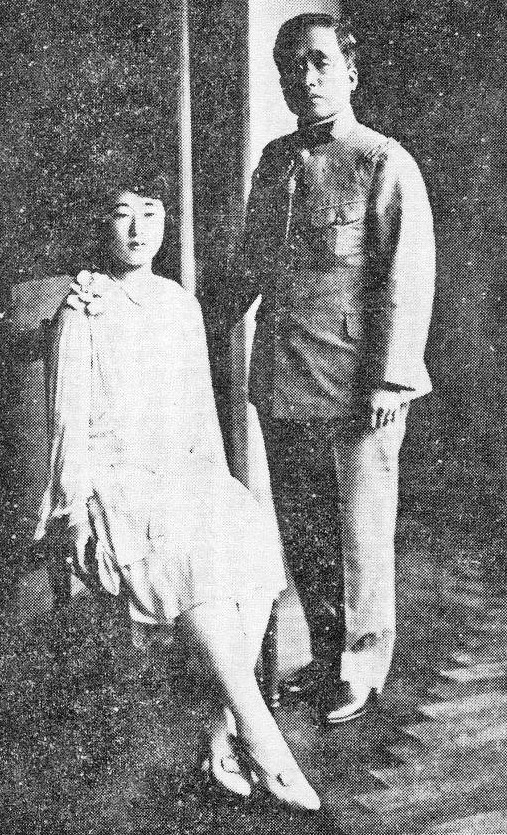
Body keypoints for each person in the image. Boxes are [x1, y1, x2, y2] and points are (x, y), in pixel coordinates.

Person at [35, 170, 320, 811]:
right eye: (121, 213)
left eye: (151, 212)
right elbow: (68, 417)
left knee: (242, 527)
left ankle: (224, 732)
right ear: (101, 224)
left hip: (178, 467)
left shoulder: (179, 303)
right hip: (116, 477)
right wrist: (74, 507)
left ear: (165, 222)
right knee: (191, 548)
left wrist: (216, 481)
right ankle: (267, 743)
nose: (138, 229)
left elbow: (198, 412)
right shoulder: (85, 304)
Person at [213, 13, 435, 723]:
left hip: (353, 387)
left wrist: (389, 380)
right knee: (306, 529)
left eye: (316, 63)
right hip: (282, 380)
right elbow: (248, 263)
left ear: (349, 71)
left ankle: (361, 668)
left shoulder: (381, 161)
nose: (302, 78)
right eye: (290, 67)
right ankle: (326, 652)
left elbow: (407, 278)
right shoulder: (276, 159)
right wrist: (184, 316)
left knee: (359, 534)